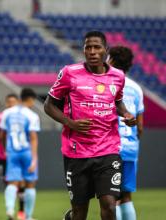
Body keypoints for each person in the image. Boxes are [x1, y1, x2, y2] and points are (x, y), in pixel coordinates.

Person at [43, 31, 137, 220]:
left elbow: (117, 102)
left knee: (110, 206)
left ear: (105, 50)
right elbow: (48, 105)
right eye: (88, 47)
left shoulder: (118, 77)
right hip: (77, 152)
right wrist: (70, 123)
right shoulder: (70, 73)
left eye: (97, 47)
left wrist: (125, 113)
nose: (92, 51)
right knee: (80, 212)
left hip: (108, 150)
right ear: (84, 50)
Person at [108, 46, 144, 220]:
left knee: (110, 196)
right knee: (126, 196)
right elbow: (140, 127)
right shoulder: (137, 88)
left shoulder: (108, 84)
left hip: (111, 148)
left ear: (112, 60)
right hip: (131, 147)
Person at [0, 88, 40, 220]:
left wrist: (6, 149)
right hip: (26, 151)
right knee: (30, 183)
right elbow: (33, 137)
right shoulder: (32, 115)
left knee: (12, 183)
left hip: (12, 152)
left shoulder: (7, 113)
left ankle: (10, 209)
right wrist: (34, 159)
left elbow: (2, 134)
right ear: (30, 99)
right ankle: (28, 216)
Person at [0, 93, 27, 220]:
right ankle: (10, 210)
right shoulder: (0, 118)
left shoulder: (22, 117)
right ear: (6, 103)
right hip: (3, 157)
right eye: (9, 102)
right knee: (8, 183)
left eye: (13, 102)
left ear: (18, 103)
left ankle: (21, 211)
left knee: (21, 184)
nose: (11, 104)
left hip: (19, 155)